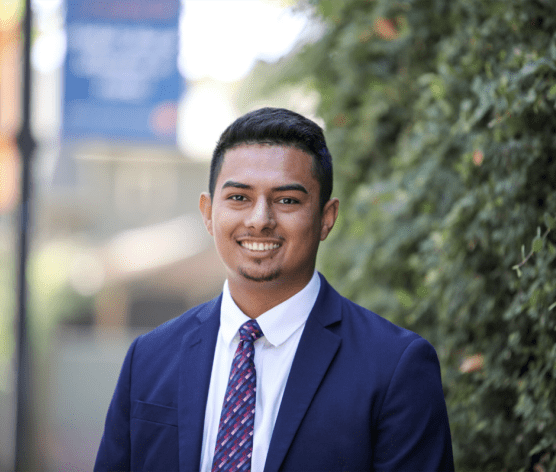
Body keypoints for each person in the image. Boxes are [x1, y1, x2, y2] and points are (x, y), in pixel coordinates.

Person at [94, 107, 454, 471]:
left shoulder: (395, 367)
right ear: (208, 212)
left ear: (326, 218)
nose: (259, 220)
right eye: (238, 198)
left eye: (287, 201)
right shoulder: (149, 358)